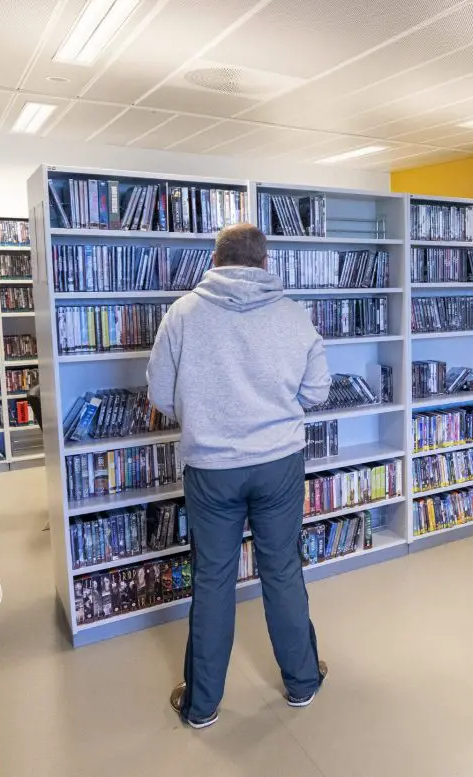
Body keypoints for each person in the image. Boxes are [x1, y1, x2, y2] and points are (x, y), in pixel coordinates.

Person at [147, 223, 332, 729]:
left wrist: (209, 412)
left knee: (212, 580)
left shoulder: (181, 315)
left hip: (211, 468)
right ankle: (301, 683)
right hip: (278, 463)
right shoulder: (294, 315)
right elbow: (317, 390)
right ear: (263, 261)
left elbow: (161, 395)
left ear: (216, 259)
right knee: (283, 571)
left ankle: (202, 705)